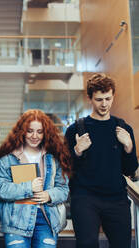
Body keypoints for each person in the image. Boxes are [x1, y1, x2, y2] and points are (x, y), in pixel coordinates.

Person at [65, 73, 138, 248]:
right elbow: (66, 169)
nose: (104, 104)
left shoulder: (123, 128)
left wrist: (128, 147)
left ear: (113, 96)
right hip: (84, 198)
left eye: (108, 98)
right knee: (87, 244)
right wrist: (77, 151)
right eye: (99, 99)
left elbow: (130, 169)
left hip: (117, 199)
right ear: (90, 98)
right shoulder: (75, 129)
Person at [0, 109, 70, 248]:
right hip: (16, 221)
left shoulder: (53, 159)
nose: (34, 136)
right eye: (30, 131)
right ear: (22, 131)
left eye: (39, 132)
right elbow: (1, 190)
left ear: (45, 133)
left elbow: (63, 189)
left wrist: (49, 195)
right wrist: (28, 187)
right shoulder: (7, 159)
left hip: (46, 219)